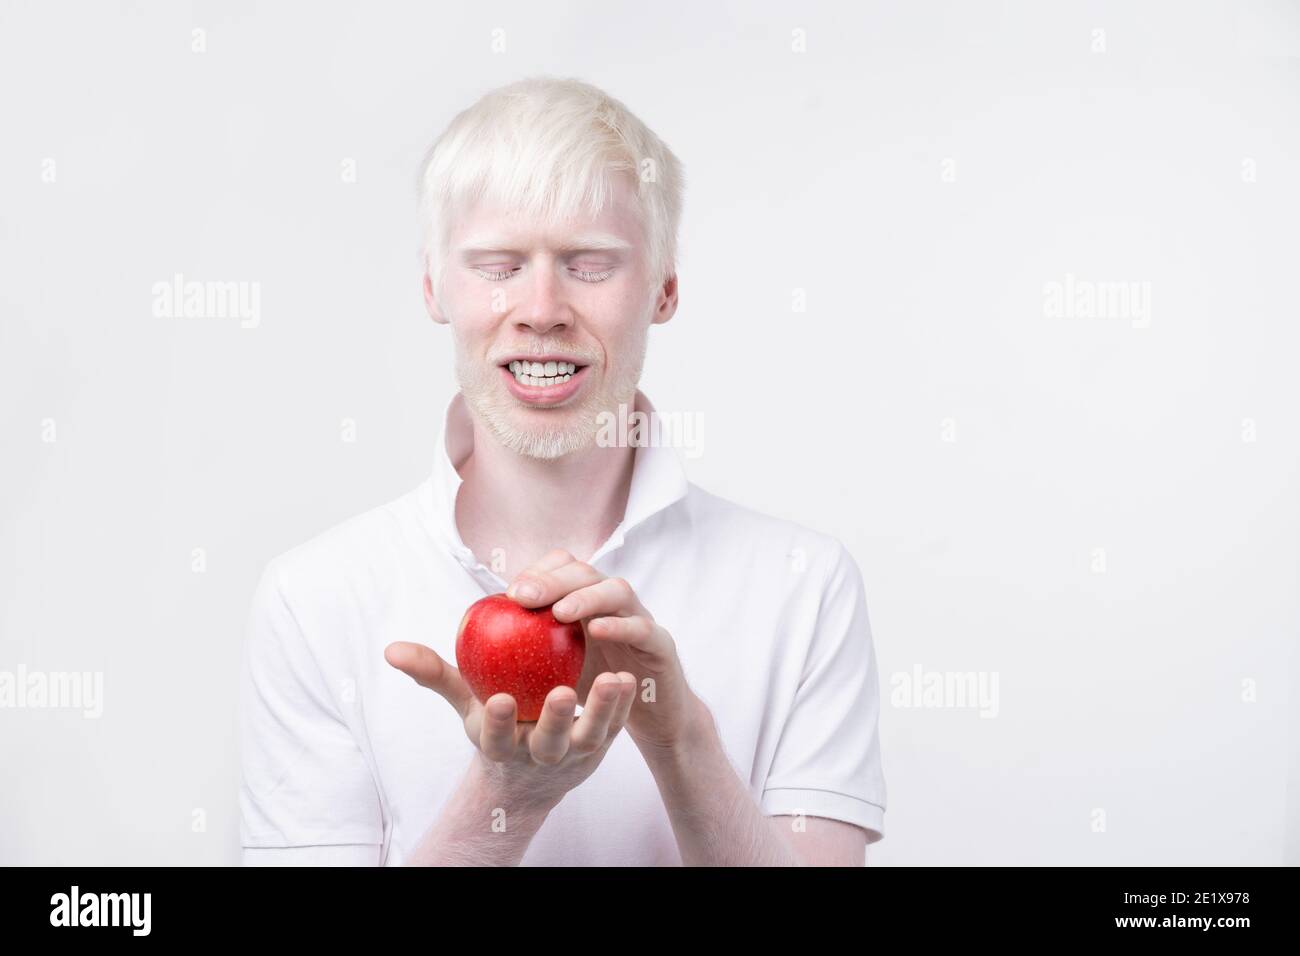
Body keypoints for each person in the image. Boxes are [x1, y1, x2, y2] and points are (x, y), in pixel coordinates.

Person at [238, 75, 886, 866]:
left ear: (665, 287)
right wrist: (505, 797)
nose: (542, 308)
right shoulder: (315, 600)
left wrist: (682, 742)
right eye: (499, 265)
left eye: (588, 264)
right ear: (435, 288)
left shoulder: (803, 586)